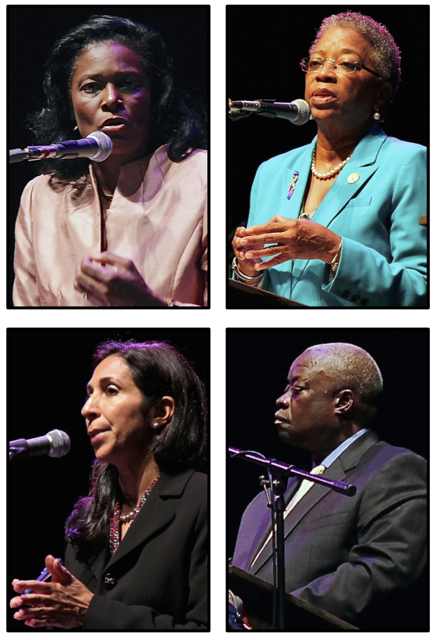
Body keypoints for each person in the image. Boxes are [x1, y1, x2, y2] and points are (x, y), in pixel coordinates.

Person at [231, 11, 427, 307]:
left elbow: (420, 289)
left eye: (348, 64)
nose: (323, 73)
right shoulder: (271, 171)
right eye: (316, 62)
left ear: (380, 93)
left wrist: (334, 250)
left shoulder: (408, 163)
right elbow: (258, 286)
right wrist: (247, 269)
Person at [10, 340, 208, 629]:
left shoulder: (202, 499)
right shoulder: (87, 517)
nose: (87, 409)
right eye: (89, 394)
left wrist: (88, 611)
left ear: (160, 411)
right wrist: (52, 614)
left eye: (110, 391)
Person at [13, 14, 208, 307]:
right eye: (91, 86)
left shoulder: (204, 177)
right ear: (69, 107)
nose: (111, 98)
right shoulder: (39, 196)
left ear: (156, 98)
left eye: (127, 83)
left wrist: (147, 306)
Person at [230, 343, 427, 629]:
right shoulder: (268, 497)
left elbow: (384, 570)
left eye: (297, 389)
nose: (282, 400)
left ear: (343, 402)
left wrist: (271, 617)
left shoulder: (395, 469)